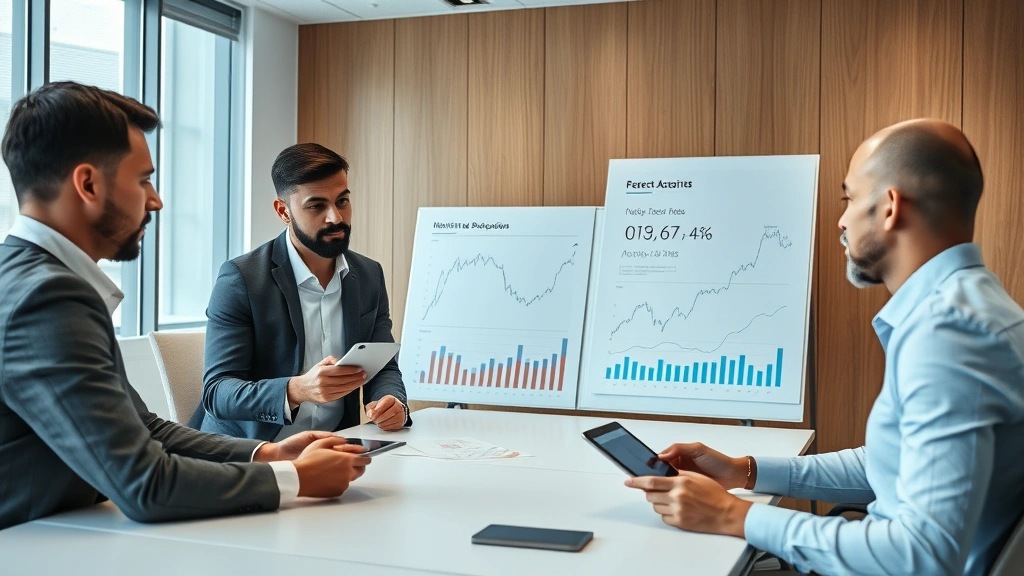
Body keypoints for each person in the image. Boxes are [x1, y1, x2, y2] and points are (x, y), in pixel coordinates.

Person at [625, 119, 1024, 575]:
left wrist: (732, 515)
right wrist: (744, 471)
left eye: (849, 198)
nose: (841, 219)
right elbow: (893, 462)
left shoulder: (949, 335)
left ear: (890, 207)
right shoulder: (973, 310)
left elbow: (922, 556)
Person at [0, 82, 371, 530]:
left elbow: (145, 429)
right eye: (143, 180)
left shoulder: (34, 280)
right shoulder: (46, 297)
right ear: (88, 183)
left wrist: (267, 452)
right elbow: (146, 485)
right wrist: (293, 478)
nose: (155, 199)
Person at [198, 143, 409, 441]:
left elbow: (382, 364)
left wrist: (392, 402)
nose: (335, 217)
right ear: (283, 211)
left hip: (334, 446)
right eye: (316, 206)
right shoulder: (240, 279)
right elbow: (217, 393)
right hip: (253, 453)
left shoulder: (369, 274)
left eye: (342, 201)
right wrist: (298, 389)